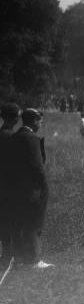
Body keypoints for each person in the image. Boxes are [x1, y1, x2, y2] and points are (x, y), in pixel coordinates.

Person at [9, 108, 54, 269]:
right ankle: (34, 259)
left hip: (16, 188)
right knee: (34, 224)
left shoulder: (14, 137)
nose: (41, 124)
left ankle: (20, 258)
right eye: (40, 120)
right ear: (34, 121)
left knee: (20, 224)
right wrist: (44, 186)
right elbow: (38, 166)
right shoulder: (32, 139)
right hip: (32, 189)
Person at [0, 103, 21, 267]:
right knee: (10, 220)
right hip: (9, 184)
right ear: (14, 118)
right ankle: (9, 256)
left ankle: (7, 254)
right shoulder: (11, 136)